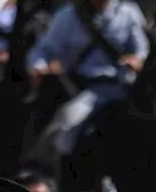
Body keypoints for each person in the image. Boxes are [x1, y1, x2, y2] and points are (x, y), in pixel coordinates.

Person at [22, 0, 149, 173]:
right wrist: (38, 67)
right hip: (83, 88)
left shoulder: (128, 12)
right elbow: (44, 49)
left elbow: (142, 49)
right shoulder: (68, 15)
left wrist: (136, 59)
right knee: (67, 122)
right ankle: (56, 173)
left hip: (122, 87)